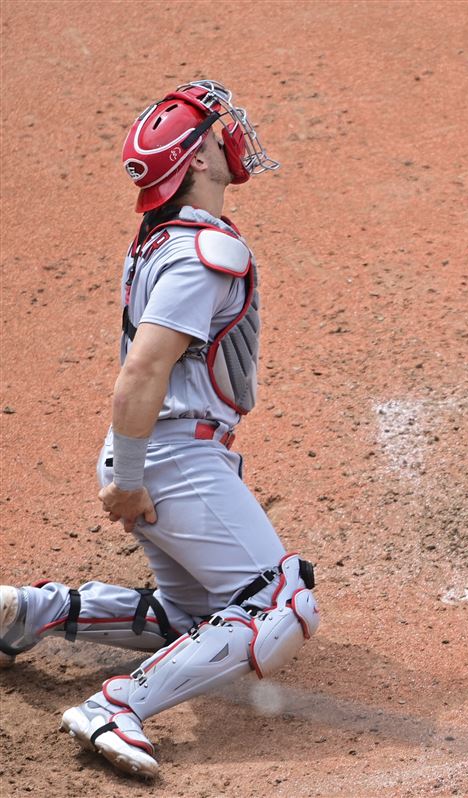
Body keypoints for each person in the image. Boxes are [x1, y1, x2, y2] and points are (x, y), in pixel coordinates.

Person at [0, 80, 318, 779]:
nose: (230, 135)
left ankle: (27, 613)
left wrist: (130, 468)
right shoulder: (204, 254)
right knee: (281, 604)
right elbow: (142, 372)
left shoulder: (160, 241)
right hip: (173, 458)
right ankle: (118, 706)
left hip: (165, 454)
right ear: (196, 160)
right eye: (214, 131)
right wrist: (131, 479)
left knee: (193, 620)